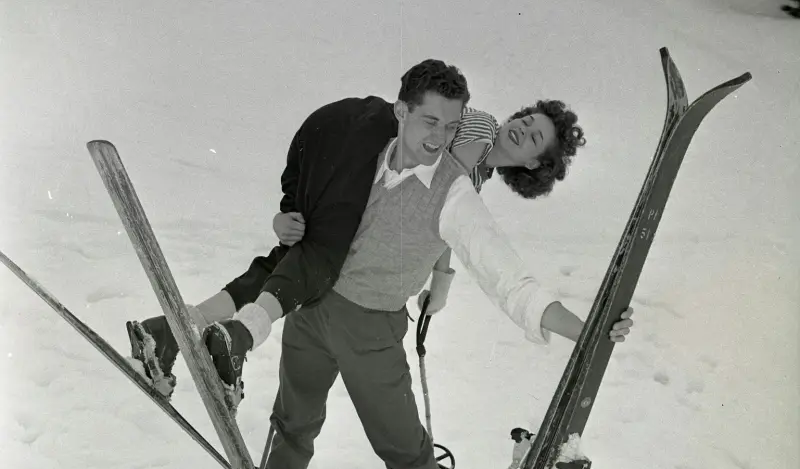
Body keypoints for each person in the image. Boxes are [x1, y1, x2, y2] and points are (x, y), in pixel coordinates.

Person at [251, 60, 632, 469]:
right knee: (292, 419)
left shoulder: (457, 191)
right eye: (431, 121)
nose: (439, 135)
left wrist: (588, 329)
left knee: (403, 444)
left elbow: (509, 278)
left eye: (448, 127)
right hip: (311, 306)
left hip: (370, 328)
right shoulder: (375, 151)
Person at [128, 64, 597, 409]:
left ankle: (169, 330)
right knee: (319, 262)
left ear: (534, 165)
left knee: (284, 266)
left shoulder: (475, 177)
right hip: (352, 142)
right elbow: (444, 194)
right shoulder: (480, 129)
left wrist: (440, 279)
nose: (521, 129)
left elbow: (442, 209)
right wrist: (439, 276)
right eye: (527, 121)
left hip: (327, 135)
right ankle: (239, 338)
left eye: (533, 138)